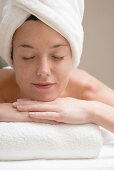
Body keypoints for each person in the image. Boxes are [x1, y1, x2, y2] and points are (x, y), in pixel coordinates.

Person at [0, 1, 114, 133]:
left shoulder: (87, 90)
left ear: (72, 57)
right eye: (28, 56)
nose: (43, 71)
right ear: (12, 58)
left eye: (57, 56)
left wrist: (93, 111)